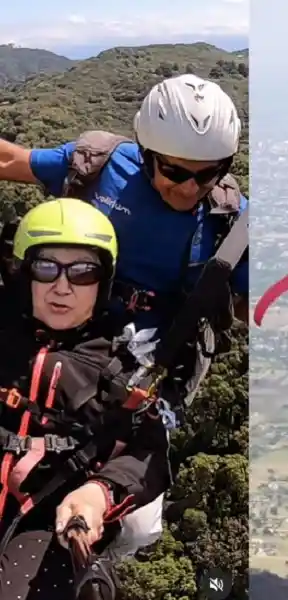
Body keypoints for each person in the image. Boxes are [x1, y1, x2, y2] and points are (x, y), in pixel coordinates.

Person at [0, 72, 250, 558]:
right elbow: (13, 160)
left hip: (142, 362)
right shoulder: (101, 168)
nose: (190, 188)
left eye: (209, 173)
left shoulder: (228, 222)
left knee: (135, 527)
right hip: (59, 323)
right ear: (146, 153)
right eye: (175, 172)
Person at [0, 199, 170, 599]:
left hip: (44, 516)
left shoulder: (120, 364)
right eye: (46, 268)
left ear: (103, 281)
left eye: (83, 272)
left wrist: (98, 493)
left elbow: (148, 453)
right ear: (25, 275)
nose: (62, 287)